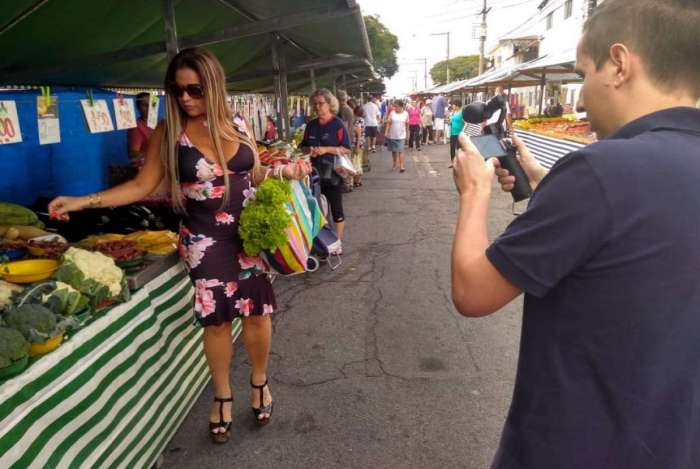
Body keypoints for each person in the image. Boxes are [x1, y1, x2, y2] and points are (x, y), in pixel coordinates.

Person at [450, 0, 700, 467]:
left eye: (585, 72)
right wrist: (546, 182)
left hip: (576, 446)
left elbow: (473, 290)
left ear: (620, 64)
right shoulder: (610, 177)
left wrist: (474, 193)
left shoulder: (598, 171)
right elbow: (643, 232)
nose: (581, 98)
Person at [49, 48, 310, 444]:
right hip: (205, 240)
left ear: (214, 86)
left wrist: (281, 171)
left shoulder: (238, 122)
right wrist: (81, 201)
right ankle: (221, 392)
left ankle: (259, 380)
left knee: (257, 312)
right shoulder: (171, 134)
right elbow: (142, 186)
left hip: (250, 234)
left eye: (194, 89)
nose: (185, 98)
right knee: (218, 319)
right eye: (177, 90)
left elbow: (252, 172)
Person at [301, 88, 351, 244]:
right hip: (313, 173)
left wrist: (326, 149)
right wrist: (310, 150)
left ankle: (338, 242)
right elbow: (303, 147)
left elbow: (347, 148)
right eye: (314, 104)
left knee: (336, 209)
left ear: (329, 104)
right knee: (316, 209)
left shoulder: (338, 124)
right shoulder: (311, 125)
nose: (317, 107)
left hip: (333, 173)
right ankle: (321, 242)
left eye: (321, 103)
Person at [126, 92, 154, 168]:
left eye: (151, 104)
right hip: (144, 170)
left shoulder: (156, 123)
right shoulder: (137, 127)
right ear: (138, 107)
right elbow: (133, 154)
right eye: (145, 105)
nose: (149, 108)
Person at [384, 99, 409, 173]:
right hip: (392, 135)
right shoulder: (392, 113)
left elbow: (407, 125)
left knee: (401, 150)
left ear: (401, 106)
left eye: (396, 106)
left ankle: (401, 166)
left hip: (402, 135)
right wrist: (386, 132)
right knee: (394, 151)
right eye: (394, 106)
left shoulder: (406, 114)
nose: (395, 108)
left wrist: (408, 134)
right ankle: (395, 164)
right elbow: (388, 123)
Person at [351, 105, 366, 187]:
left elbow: (358, 134)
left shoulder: (357, 121)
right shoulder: (362, 120)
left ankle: (356, 181)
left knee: (355, 162)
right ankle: (358, 180)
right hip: (361, 143)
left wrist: (356, 146)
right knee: (358, 161)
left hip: (356, 144)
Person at [448, 99, 463, 167]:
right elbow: (451, 121)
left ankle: (460, 162)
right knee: (452, 148)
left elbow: (465, 123)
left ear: (457, 105)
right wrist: (450, 121)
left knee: (459, 149)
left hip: (459, 133)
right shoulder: (453, 112)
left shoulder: (462, 113)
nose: (452, 106)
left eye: (453, 105)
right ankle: (453, 162)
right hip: (452, 132)